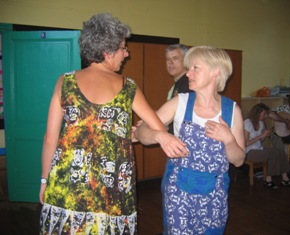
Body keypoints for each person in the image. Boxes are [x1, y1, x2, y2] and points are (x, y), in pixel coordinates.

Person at [38, 13, 186, 235]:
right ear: (107, 53)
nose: (127, 54)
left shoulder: (65, 81)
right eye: (123, 48)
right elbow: (159, 128)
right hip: (112, 187)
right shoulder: (128, 87)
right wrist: (132, 135)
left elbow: (51, 138)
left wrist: (44, 180)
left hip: (67, 182)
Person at [135, 46, 245, 234]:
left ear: (215, 71)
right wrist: (160, 136)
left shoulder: (232, 110)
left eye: (195, 67)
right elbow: (142, 132)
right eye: (189, 68)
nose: (188, 73)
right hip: (179, 190)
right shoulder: (180, 102)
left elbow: (238, 160)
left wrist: (229, 140)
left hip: (215, 194)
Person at [244, 103, 290, 189]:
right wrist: (261, 136)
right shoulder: (247, 123)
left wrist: (265, 135)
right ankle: (268, 180)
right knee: (273, 154)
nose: (265, 116)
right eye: (264, 114)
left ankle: (285, 178)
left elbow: (261, 140)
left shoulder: (261, 123)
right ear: (257, 113)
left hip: (258, 148)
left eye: (266, 114)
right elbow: (245, 143)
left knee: (280, 151)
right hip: (248, 151)